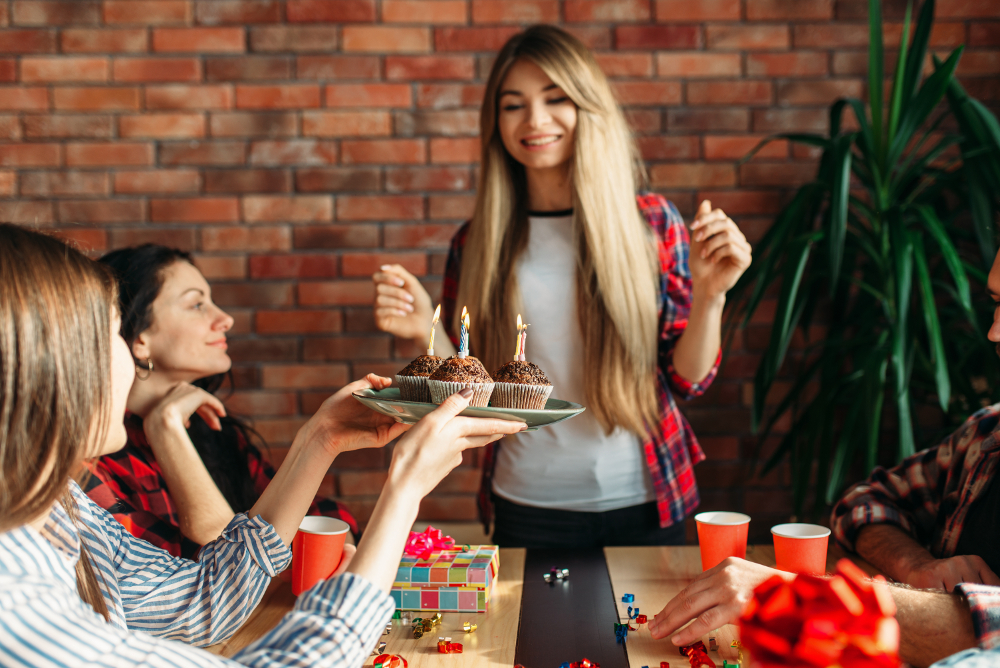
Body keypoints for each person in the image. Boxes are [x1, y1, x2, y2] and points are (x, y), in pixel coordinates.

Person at [0, 222, 525, 666]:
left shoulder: (61, 510)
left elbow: (203, 602)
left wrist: (320, 440)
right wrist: (404, 490)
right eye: (113, 336)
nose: (129, 364)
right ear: (44, 368)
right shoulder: (14, 599)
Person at [371, 24, 752, 549]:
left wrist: (712, 295)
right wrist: (423, 330)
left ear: (587, 108)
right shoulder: (476, 242)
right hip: (525, 503)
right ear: (495, 122)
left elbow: (688, 382)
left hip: (645, 500)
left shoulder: (653, 224)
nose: (535, 120)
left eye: (556, 99)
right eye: (513, 104)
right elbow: (471, 385)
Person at [646, 245, 1000, 667]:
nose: (994, 332)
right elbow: (863, 503)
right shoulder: (986, 436)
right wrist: (918, 565)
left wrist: (804, 597)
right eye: (996, 304)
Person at [85, 245, 357, 559]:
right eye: (197, 305)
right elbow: (207, 573)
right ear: (140, 339)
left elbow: (324, 519)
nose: (225, 319)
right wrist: (165, 427)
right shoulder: (96, 457)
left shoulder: (213, 428)